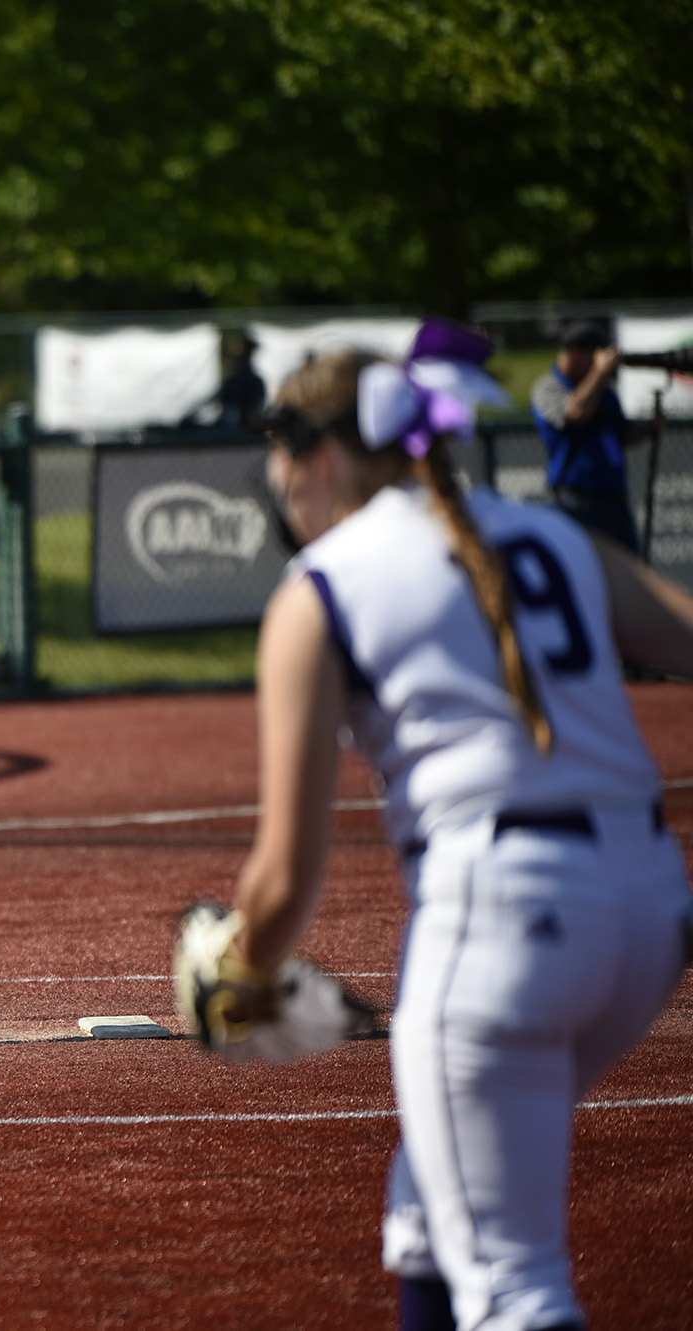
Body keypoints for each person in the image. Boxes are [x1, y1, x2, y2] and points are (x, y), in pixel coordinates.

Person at [216, 335, 693, 1331]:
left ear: (324, 454)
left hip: (505, 922)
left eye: (277, 452)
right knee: (431, 1204)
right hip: (649, 911)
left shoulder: (322, 584)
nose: (275, 479)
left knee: (514, 1290)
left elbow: (285, 870)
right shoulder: (544, 532)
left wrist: (241, 977)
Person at [529, 320, 643, 552]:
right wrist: (599, 373)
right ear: (576, 354)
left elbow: (625, 434)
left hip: (615, 502)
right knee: (589, 576)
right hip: (577, 503)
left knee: (631, 577)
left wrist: (650, 427)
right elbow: (576, 413)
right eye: (595, 357)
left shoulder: (604, 392)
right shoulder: (548, 388)